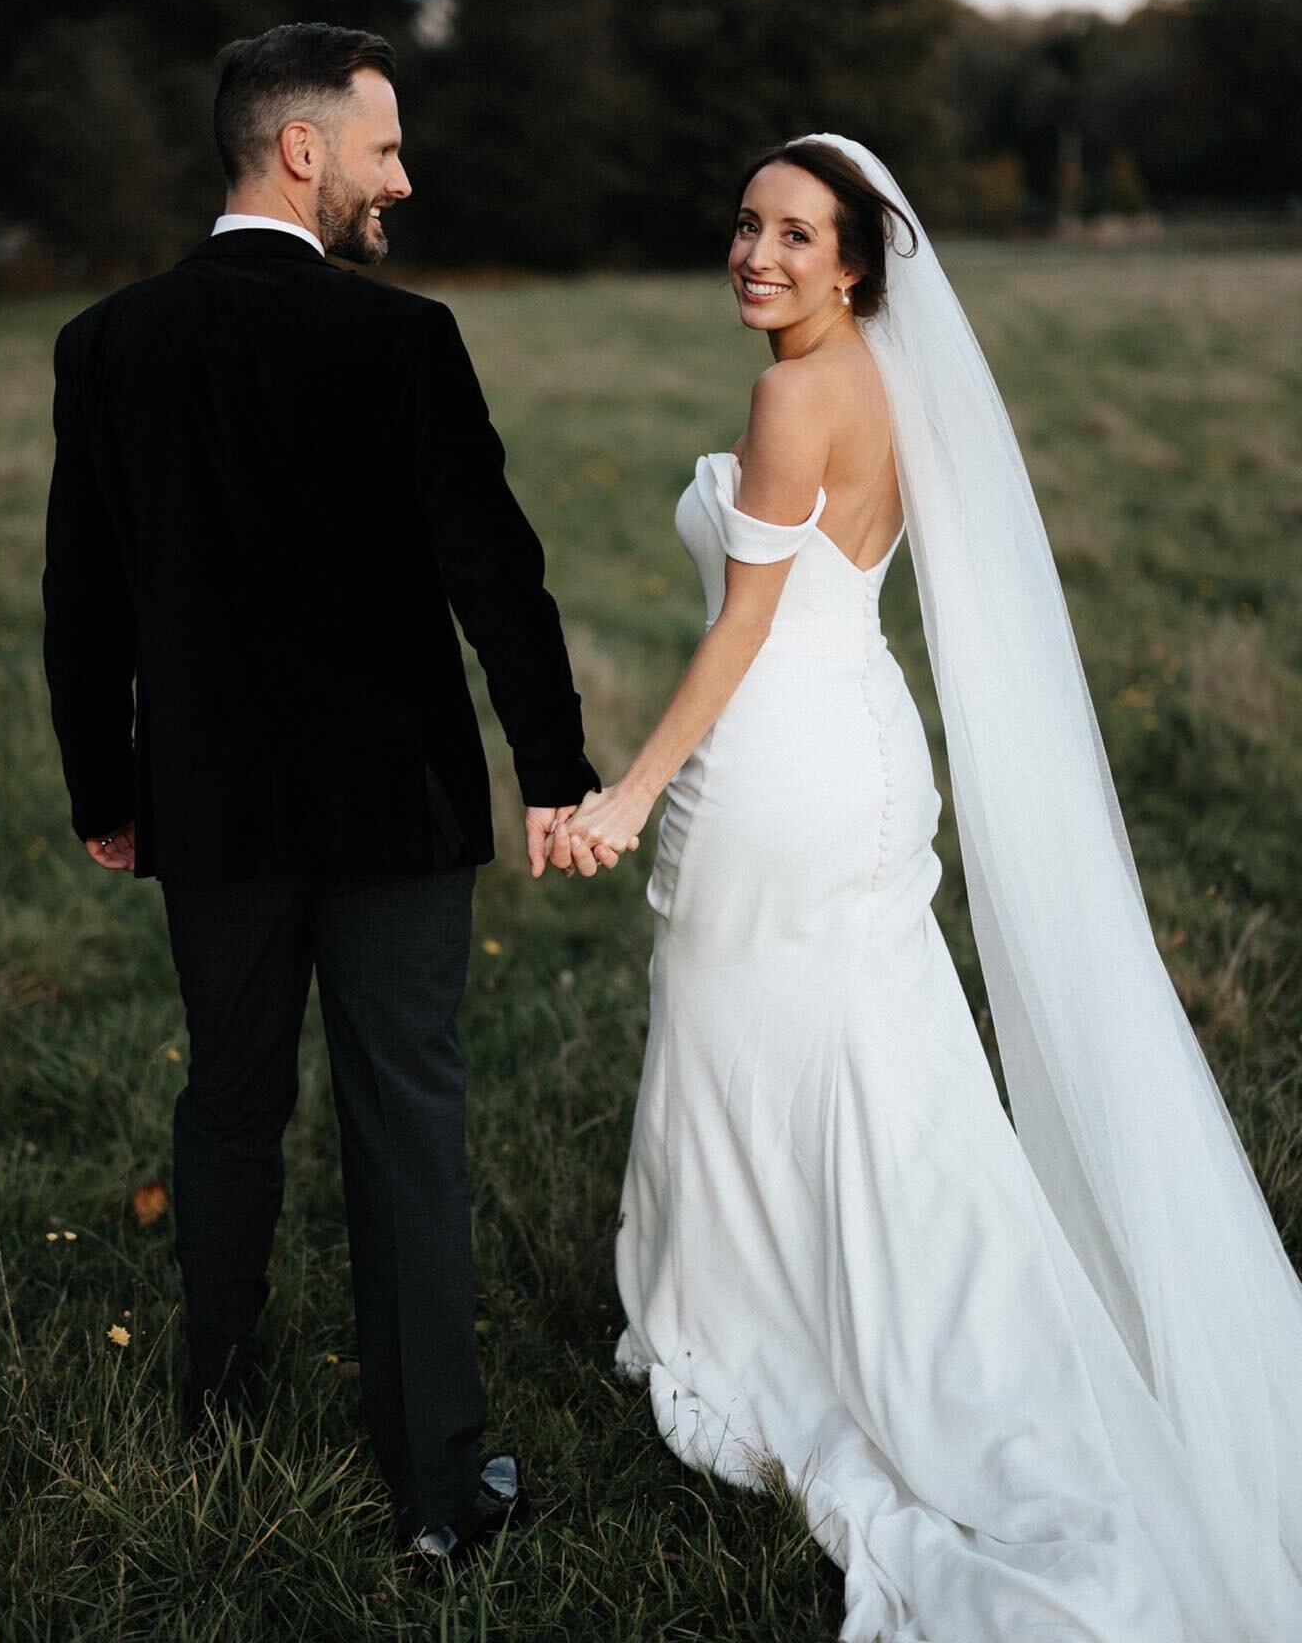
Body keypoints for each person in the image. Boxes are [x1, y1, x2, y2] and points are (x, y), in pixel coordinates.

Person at [556, 136, 1302, 1639]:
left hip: (778, 766)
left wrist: (628, 791)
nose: (755, 254)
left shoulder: (788, 394)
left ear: (854, 266)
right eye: (747, 223)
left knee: (760, 1046)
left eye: (795, 235)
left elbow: (743, 629)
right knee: (876, 1061)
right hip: (871, 754)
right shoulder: (892, 385)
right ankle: (908, 1305)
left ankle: (776, 1322)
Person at [41, 21, 607, 1562]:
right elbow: (501, 580)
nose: (401, 178)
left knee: (227, 1102)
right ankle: (437, 1493)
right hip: (392, 809)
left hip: (209, 808)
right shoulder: (402, 340)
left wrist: (111, 786)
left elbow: (79, 604)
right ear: (303, 151)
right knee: (404, 1118)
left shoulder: (109, 342)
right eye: (384, 148)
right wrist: (551, 771)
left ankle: (218, 1417)